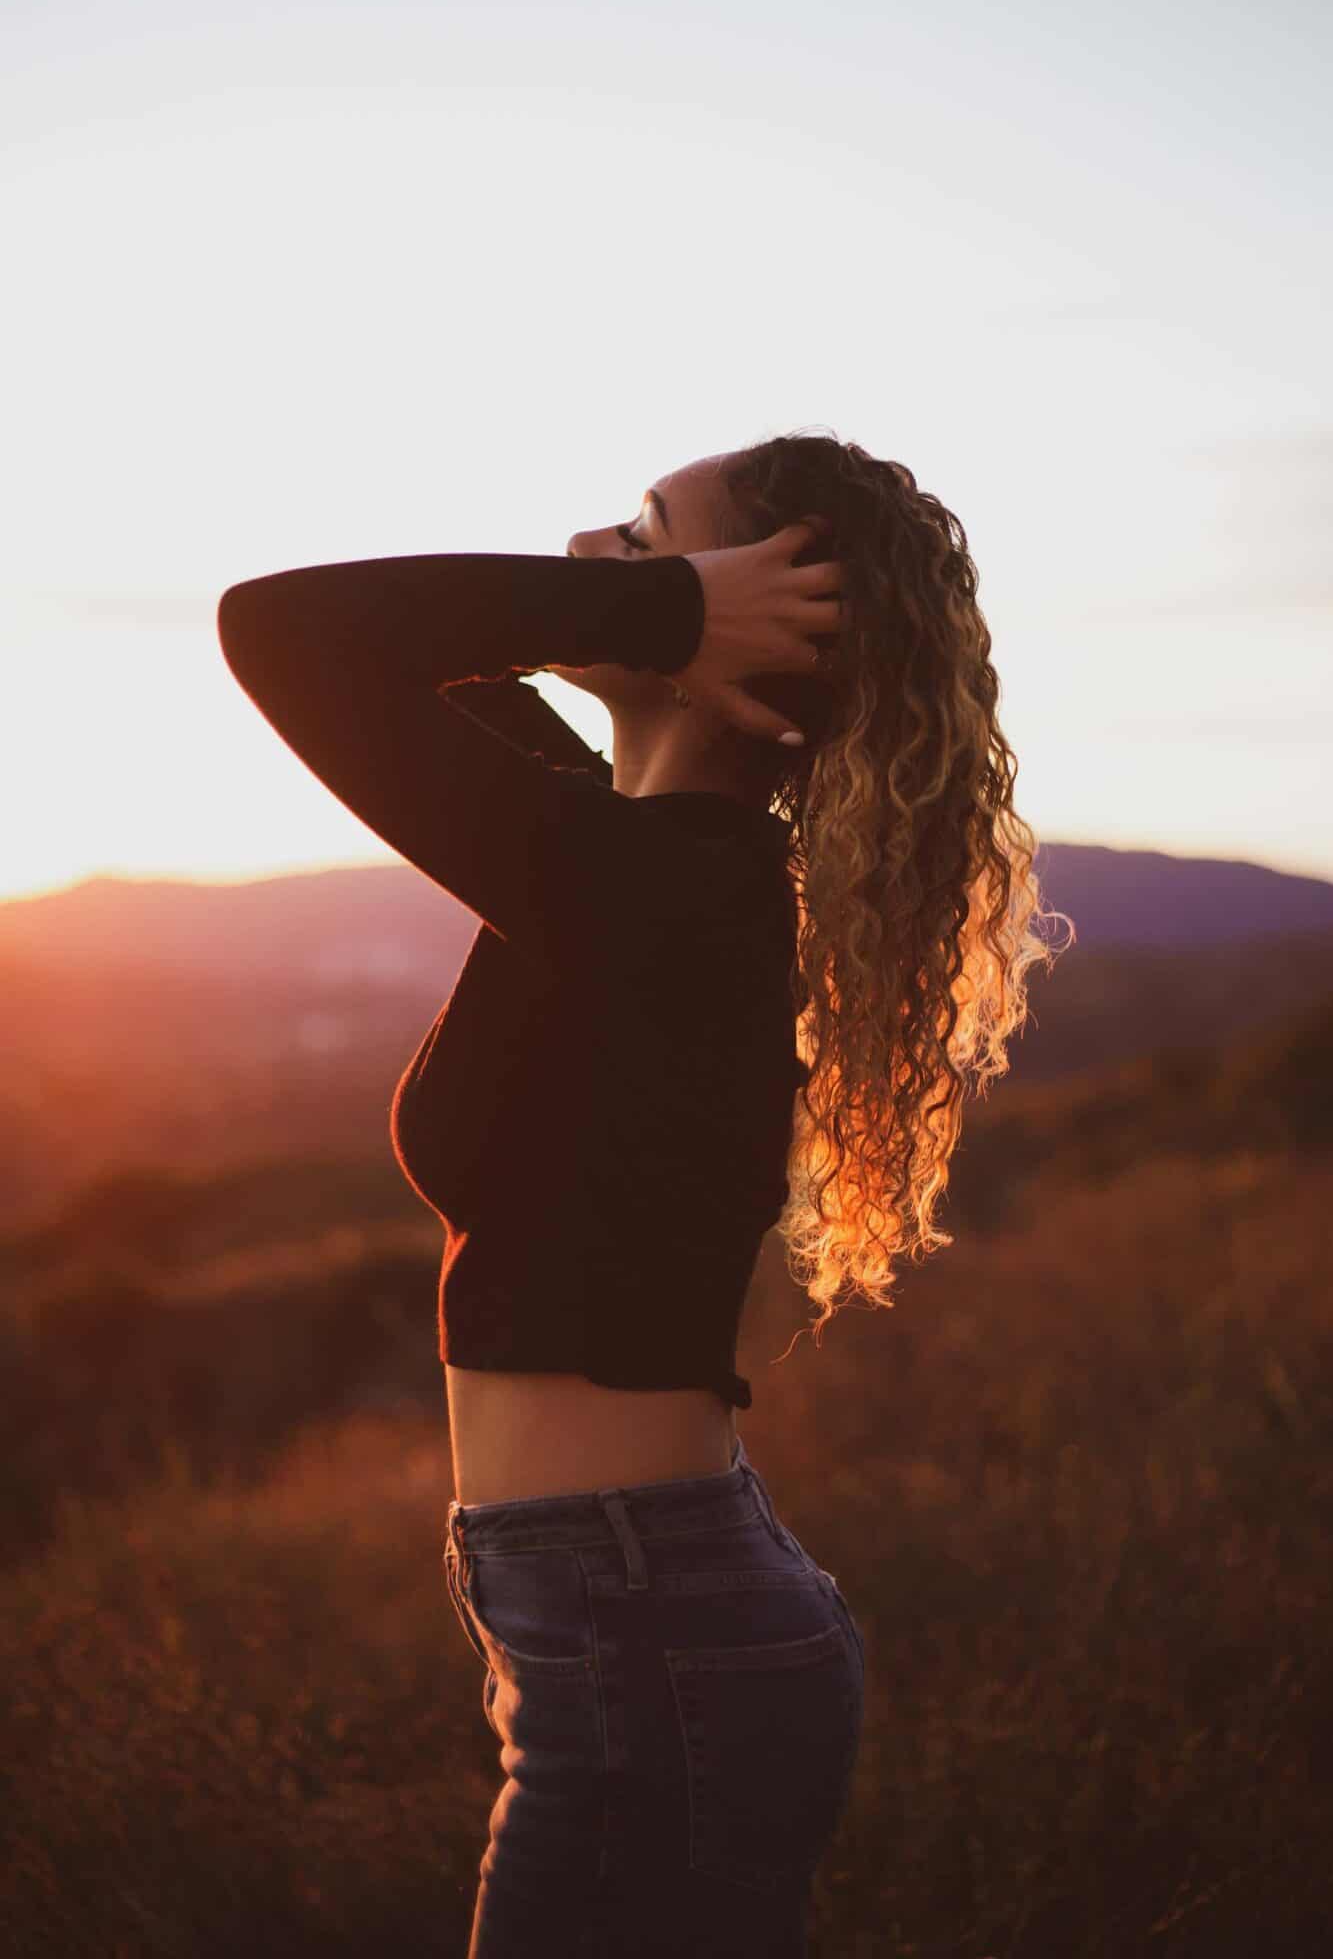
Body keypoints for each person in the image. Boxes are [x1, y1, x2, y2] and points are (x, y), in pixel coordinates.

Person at [216, 431, 1064, 1956]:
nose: (592, 552)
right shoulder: (616, 841)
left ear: (751, 627)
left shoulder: (674, 887)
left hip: (642, 1624)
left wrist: (659, 611)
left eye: (654, 536)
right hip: (616, 1614)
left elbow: (279, 630)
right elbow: (407, 652)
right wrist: (658, 606)